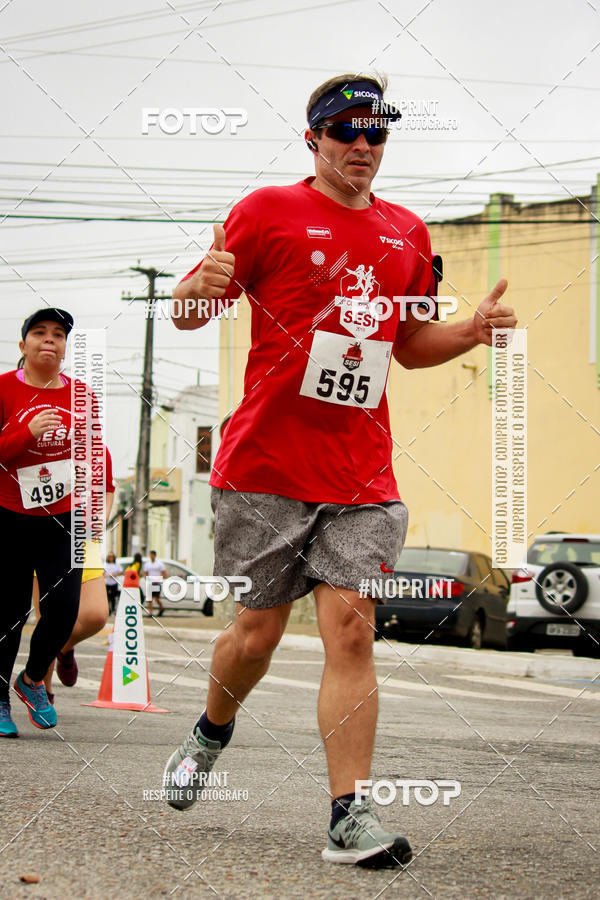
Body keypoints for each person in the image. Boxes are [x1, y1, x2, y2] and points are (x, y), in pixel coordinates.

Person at [164, 73, 517, 868]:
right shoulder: (266, 212)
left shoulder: (407, 233)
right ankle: (210, 729)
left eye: (378, 133)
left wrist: (470, 331)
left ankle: (347, 817)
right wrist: (193, 290)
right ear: (314, 140)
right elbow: (193, 309)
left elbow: (410, 346)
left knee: (352, 629)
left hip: (361, 473)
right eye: (347, 131)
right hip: (264, 466)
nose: (363, 145)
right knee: (255, 635)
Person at [0, 308, 104, 736]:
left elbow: (95, 456)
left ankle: (32, 678)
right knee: (9, 611)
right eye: (39, 332)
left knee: (65, 608)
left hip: (63, 517)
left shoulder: (83, 395)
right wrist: (27, 432)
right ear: (22, 344)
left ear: (65, 347)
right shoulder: (5, 388)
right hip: (8, 515)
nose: (49, 339)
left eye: (58, 334)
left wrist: (93, 503)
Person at [31, 460, 115, 700]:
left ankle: (64, 648)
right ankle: (41, 691)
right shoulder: (44, 436)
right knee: (45, 618)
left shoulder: (95, 443)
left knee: (97, 615)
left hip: (83, 535)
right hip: (43, 531)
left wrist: (102, 516)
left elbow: (107, 487)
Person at [143, 550, 166, 617]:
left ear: (155, 556)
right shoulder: (147, 564)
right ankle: (150, 612)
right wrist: (147, 578)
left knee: (156, 598)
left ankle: (162, 608)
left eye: (153, 555)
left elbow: (164, 573)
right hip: (150, 582)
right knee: (149, 598)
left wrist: (159, 579)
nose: (152, 556)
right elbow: (145, 573)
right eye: (151, 555)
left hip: (157, 583)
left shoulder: (159, 564)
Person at [104, 551, 123, 615]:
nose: (111, 558)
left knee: (113, 597)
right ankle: (108, 609)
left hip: (114, 583)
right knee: (107, 597)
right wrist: (106, 575)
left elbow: (121, 572)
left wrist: (114, 574)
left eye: (112, 557)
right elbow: (102, 573)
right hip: (107, 583)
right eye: (110, 557)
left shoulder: (116, 564)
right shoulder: (105, 564)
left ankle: (113, 609)